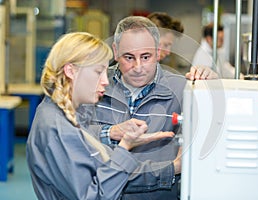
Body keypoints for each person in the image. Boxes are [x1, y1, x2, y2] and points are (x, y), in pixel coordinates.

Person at [26, 32, 183, 200]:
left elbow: (112, 173)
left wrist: (172, 167)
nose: (105, 81)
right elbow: (94, 196)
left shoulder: (66, 116)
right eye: (98, 72)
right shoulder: (59, 129)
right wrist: (124, 147)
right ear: (71, 71)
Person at [89, 16, 218, 199]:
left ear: (158, 52)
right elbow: (75, 136)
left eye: (146, 57)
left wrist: (210, 88)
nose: (138, 67)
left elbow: (213, 130)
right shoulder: (94, 86)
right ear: (116, 51)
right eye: (129, 57)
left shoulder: (182, 89)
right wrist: (110, 132)